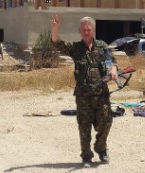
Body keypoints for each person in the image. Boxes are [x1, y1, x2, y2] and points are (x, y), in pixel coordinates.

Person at [51, 15, 118, 167]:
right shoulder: (76, 48)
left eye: (89, 29)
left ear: (93, 30)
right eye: (84, 30)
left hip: (101, 93)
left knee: (106, 121)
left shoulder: (102, 46)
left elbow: (112, 61)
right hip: (83, 95)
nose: (86, 32)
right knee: (84, 126)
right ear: (80, 31)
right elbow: (57, 43)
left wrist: (113, 69)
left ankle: (101, 148)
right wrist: (55, 28)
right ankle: (86, 156)